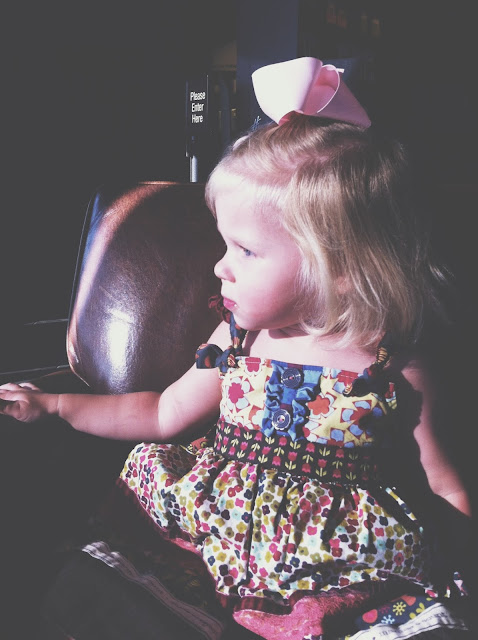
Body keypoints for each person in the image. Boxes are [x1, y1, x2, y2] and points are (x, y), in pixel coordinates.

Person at [0, 58, 472, 639]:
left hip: (335, 573)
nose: (219, 267)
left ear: (340, 267)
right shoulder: (237, 339)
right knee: (108, 600)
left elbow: (443, 484)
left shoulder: (394, 364)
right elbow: (163, 412)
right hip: (209, 547)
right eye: (225, 244)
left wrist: (462, 562)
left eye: (245, 251)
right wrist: (54, 405)